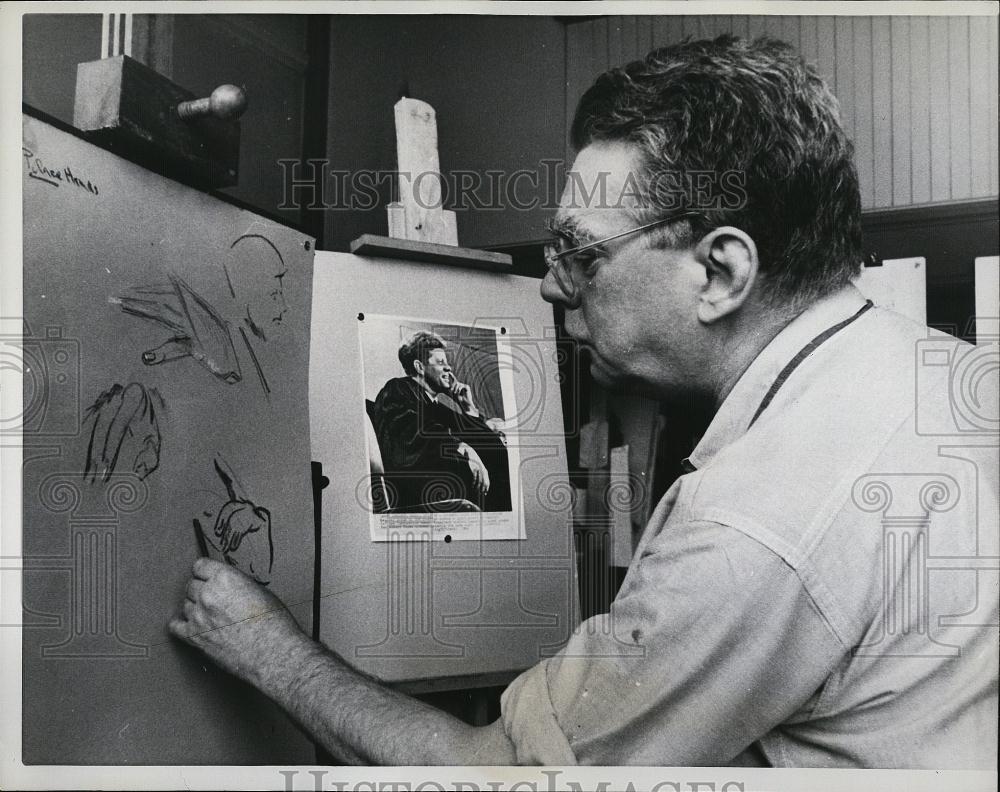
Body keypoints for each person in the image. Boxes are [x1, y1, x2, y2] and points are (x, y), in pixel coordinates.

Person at [169, 36, 997, 767]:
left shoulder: (753, 525)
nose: (552, 287)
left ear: (721, 272)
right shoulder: (946, 377)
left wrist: (266, 649)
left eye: (582, 254)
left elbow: (494, 774)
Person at [367, 330, 511, 512]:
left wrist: (468, 408)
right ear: (420, 367)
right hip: (420, 490)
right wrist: (462, 447)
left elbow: (492, 447)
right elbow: (412, 432)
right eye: (441, 362)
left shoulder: (437, 406)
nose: (449, 368)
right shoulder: (398, 388)